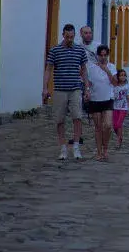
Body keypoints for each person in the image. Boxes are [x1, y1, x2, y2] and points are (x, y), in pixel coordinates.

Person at [42, 23, 90, 160]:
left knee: (77, 117)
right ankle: (63, 147)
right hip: (60, 89)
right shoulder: (55, 50)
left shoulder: (80, 50)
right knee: (60, 119)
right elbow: (48, 69)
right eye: (68, 37)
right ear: (63, 35)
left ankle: (76, 146)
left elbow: (84, 70)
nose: (70, 39)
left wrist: (87, 88)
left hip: (75, 88)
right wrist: (45, 87)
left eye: (72, 37)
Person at [86, 44, 118, 161]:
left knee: (108, 126)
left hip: (108, 99)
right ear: (97, 56)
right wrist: (87, 92)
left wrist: (107, 70)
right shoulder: (91, 68)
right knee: (98, 127)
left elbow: (115, 83)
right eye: (101, 55)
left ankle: (105, 148)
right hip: (95, 100)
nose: (103, 57)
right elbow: (88, 83)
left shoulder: (112, 67)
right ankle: (99, 152)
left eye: (105, 55)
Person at [112, 69, 129, 148]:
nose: (123, 77)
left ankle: (118, 140)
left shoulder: (127, 86)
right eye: (121, 75)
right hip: (115, 107)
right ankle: (120, 135)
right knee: (115, 126)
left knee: (119, 124)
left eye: (124, 75)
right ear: (118, 77)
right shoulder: (114, 86)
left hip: (123, 107)